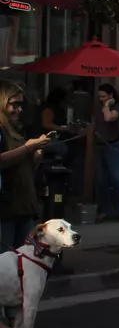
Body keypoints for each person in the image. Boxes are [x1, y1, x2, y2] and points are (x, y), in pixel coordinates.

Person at [0, 80, 51, 252]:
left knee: (25, 258)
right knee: (5, 260)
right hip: (5, 207)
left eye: (21, 105)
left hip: (23, 206)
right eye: (14, 104)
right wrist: (28, 147)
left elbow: (28, 170)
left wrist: (36, 153)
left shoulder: (15, 130)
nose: (19, 110)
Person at [94, 83, 119, 223]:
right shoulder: (96, 107)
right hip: (99, 144)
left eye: (104, 96)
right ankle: (104, 209)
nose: (101, 99)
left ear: (111, 96)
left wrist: (108, 105)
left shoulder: (118, 107)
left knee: (116, 178)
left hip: (113, 144)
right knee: (101, 179)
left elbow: (109, 118)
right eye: (99, 97)